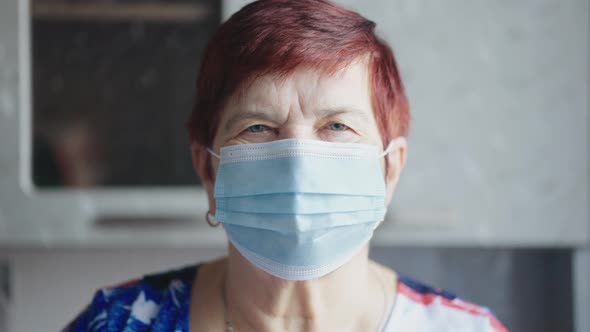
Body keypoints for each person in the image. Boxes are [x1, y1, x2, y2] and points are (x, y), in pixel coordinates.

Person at [64, 0, 508, 331]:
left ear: (390, 169)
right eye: (257, 127)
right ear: (208, 168)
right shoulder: (115, 322)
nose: (298, 163)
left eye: (336, 126)